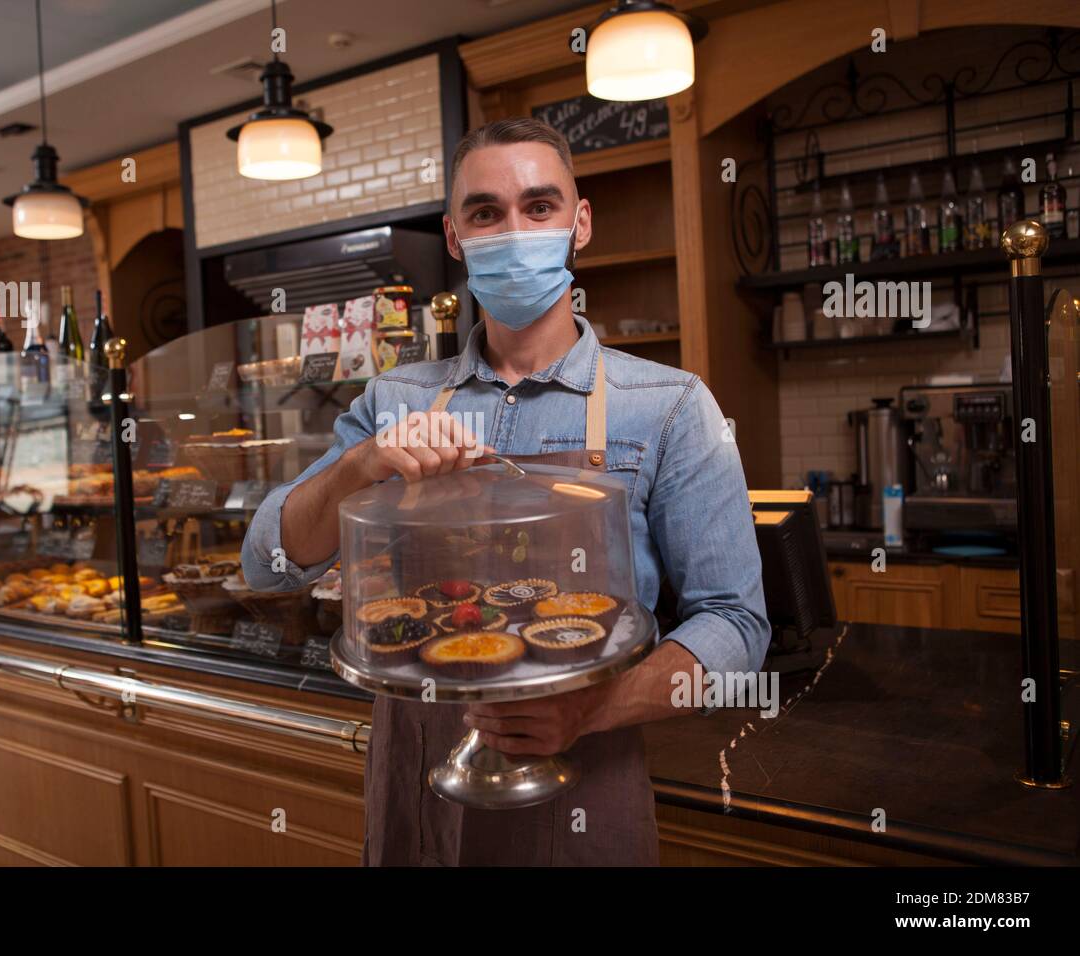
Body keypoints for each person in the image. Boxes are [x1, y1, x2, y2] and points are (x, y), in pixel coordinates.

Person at [242, 117, 769, 866]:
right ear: (455, 236)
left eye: (540, 206)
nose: (513, 229)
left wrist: (588, 709)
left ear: (579, 223)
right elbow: (267, 562)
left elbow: (737, 627)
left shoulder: (671, 406)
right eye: (486, 212)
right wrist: (363, 465)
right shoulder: (396, 397)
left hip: (585, 774)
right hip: (415, 775)